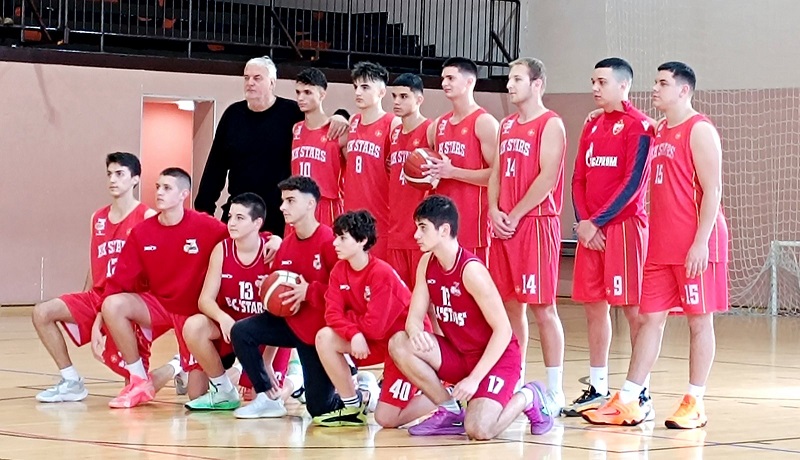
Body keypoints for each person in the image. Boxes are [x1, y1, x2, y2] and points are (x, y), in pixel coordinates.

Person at [583, 62, 728, 429]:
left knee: (699, 320)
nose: (655, 88)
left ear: (684, 90)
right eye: (655, 82)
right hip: (661, 245)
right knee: (650, 319)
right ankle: (630, 399)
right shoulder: (659, 129)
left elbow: (713, 190)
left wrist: (701, 242)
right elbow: (633, 123)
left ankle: (695, 401)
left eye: (663, 83)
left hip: (695, 243)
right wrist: (602, 113)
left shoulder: (700, 130)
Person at [101, 167, 281, 408]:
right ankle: (139, 379)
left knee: (196, 395)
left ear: (184, 194)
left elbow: (242, 235)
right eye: (157, 187)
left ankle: (179, 365)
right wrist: (99, 320)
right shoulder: (142, 232)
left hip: (192, 312)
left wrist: (273, 239)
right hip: (160, 306)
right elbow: (119, 281)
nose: (159, 193)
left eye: (167, 188)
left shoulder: (205, 225)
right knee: (112, 304)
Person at [389, 195, 554, 440]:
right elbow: (414, 319)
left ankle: (530, 396)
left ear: (444, 230)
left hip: (496, 360)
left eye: (422, 228)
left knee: (479, 430)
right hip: (459, 355)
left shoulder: (471, 271)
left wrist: (474, 380)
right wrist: (415, 333)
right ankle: (449, 410)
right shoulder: (426, 263)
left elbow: (504, 331)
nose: (416, 235)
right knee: (400, 343)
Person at [32, 153, 180, 402]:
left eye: (120, 174)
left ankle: (176, 366)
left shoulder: (147, 217)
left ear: (135, 179)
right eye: (109, 174)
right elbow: (95, 263)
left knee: (134, 389)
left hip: (129, 302)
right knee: (42, 312)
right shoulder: (97, 217)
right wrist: (85, 301)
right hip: (99, 297)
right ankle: (71, 381)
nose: (112, 179)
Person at [567, 57, 655, 417]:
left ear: (623, 85)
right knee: (593, 307)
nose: (595, 88)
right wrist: (584, 223)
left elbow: (633, 184)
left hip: (624, 228)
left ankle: (641, 391)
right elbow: (578, 178)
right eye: (592, 81)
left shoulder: (640, 126)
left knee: (633, 310)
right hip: (591, 230)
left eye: (602, 82)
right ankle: (598, 387)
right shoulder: (591, 124)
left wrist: (598, 222)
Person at [487, 57, 567, 409]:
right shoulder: (506, 125)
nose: (510, 85)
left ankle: (555, 388)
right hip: (504, 224)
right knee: (510, 308)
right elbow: (496, 172)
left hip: (535, 223)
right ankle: (516, 379)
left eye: (517, 79)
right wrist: (493, 209)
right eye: (510, 78)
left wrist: (516, 213)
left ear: (537, 84)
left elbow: (547, 178)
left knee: (543, 308)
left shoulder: (551, 124)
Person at [231, 176, 343, 420]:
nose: (282, 207)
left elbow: (345, 291)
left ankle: (362, 390)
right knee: (241, 331)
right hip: (291, 323)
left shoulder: (329, 242)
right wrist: (268, 288)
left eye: (291, 201)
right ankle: (268, 398)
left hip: (318, 332)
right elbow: (278, 296)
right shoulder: (287, 245)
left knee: (319, 409)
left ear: (311, 204)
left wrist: (309, 291)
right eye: (283, 201)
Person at [195, 56, 348, 236]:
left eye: (257, 78)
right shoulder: (232, 115)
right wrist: (204, 212)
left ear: (272, 83)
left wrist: (341, 115)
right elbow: (215, 168)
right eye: (246, 78)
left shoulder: (292, 113)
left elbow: (319, 120)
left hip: (279, 213)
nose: (250, 83)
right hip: (241, 209)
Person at [316, 210, 435, 427]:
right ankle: (352, 407)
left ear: (362, 240)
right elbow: (331, 314)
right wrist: (354, 333)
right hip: (375, 340)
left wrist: (351, 324)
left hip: (405, 345)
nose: (335, 243)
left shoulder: (381, 273)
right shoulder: (339, 270)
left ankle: (447, 395)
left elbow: (375, 327)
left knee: (386, 419)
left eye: (342, 238)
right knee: (324, 337)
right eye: (336, 237)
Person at [183, 193, 294, 411]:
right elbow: (205, 300)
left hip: (266, 335)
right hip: (233, 328)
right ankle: (223, 390)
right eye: (230, 216)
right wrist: (222, 317)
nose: (231, 223)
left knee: (267, 397)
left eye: (239, 218)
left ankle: (296, 379)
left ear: (257, 223)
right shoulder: (222, 249)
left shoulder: (273, 251)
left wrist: (267, 362)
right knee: (194, 326)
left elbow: (282, 312)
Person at [425, 57, 499, 262]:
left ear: (469, 82)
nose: (444, 83)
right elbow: (434, 170)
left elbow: (497, 176)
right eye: (443, 78)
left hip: (474, 222)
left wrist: (453, 172)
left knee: (473, 278)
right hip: (443, 221)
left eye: (451, 78)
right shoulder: (438, 125)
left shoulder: (484, 122)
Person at [343, 61, 398, 260]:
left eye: (365, 87)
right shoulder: (353, 121)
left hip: (379, 215)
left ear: (382, 92)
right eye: (356, 87)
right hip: (352, 211)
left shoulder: (392, 123)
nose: (358, 92)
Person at [386, 73, 432, 288]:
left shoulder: (430, 130)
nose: (397, 101)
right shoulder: (394, 133)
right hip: (396, 228)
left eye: (404, 96)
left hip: (419, 227)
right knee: (399, 294)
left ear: (419, 99)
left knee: (424, 295)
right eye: (394, 96)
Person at [291, 67, 346, 228]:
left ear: (322, 95)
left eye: (307, 92)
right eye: (298, 92)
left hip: (326, 204)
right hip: (298, 204)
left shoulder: (338, 130)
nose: (301, 98)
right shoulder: (296, 129)